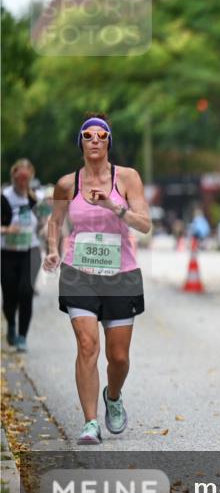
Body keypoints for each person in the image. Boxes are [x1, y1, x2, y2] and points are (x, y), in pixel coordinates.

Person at [43, 114, 152, 445]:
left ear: (108, 142)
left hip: (121, 275)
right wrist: (53, 250)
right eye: (88, 135)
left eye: (101, 135)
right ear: (80, 142)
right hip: (79, 274)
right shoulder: (67, 184)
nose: (94, 140)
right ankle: (90, 422)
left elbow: (145, 224)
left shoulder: (128, 178)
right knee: (87, 345)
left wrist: (113, 207)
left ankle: (113, 396)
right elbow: (55, 221)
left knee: (118, 358)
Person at [1, 159, 41, 351]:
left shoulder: (35, 198)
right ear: (14, 176)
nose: (23, 181)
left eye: (26, 178)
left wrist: (47, 229)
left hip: (30, 250)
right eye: (20, 177)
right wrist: (7, 230)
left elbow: (45, 221)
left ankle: (22, 336)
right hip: (7, 252)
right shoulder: (4, 197)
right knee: (9, 295)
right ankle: (11, 323)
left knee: (26, 291)